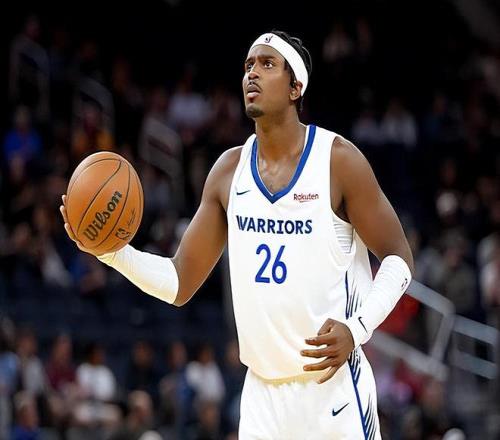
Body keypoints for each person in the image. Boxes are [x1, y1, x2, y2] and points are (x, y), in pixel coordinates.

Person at [60, 30, 414, 439]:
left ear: (296, 87)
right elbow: (178, 282)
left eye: (267, 64)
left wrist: (357, 328)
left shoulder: (338, 161)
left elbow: (400, 259)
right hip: (262, 397)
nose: (252, 74)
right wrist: (110, 252)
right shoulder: (229, 172)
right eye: (248, 65)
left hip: (332, 391)